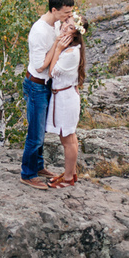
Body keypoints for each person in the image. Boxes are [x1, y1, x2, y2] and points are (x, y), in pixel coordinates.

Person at [20, 0, 75, 190]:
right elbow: (40, 66)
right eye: (66, 13)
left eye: (71, 12)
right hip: (36, 84)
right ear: (54, 10)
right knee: (35, 134)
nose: (69, 16)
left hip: (46, 85)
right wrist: (57, 46)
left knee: (41, 129)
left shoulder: (57, 23)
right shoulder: (39, 31)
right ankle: (28, 174)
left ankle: (38, 165)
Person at [44, 13, 89, 188]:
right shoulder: (70, 47)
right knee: (69, 137)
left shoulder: (70, 53)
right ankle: (71, 172)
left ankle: (69, 178)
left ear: (76, 34)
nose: (64, 26)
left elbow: (51, 72)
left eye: (70, 27)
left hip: (66, 100)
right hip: (64, 96)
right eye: (66, 22)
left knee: (67, 139)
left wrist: (57, 50)